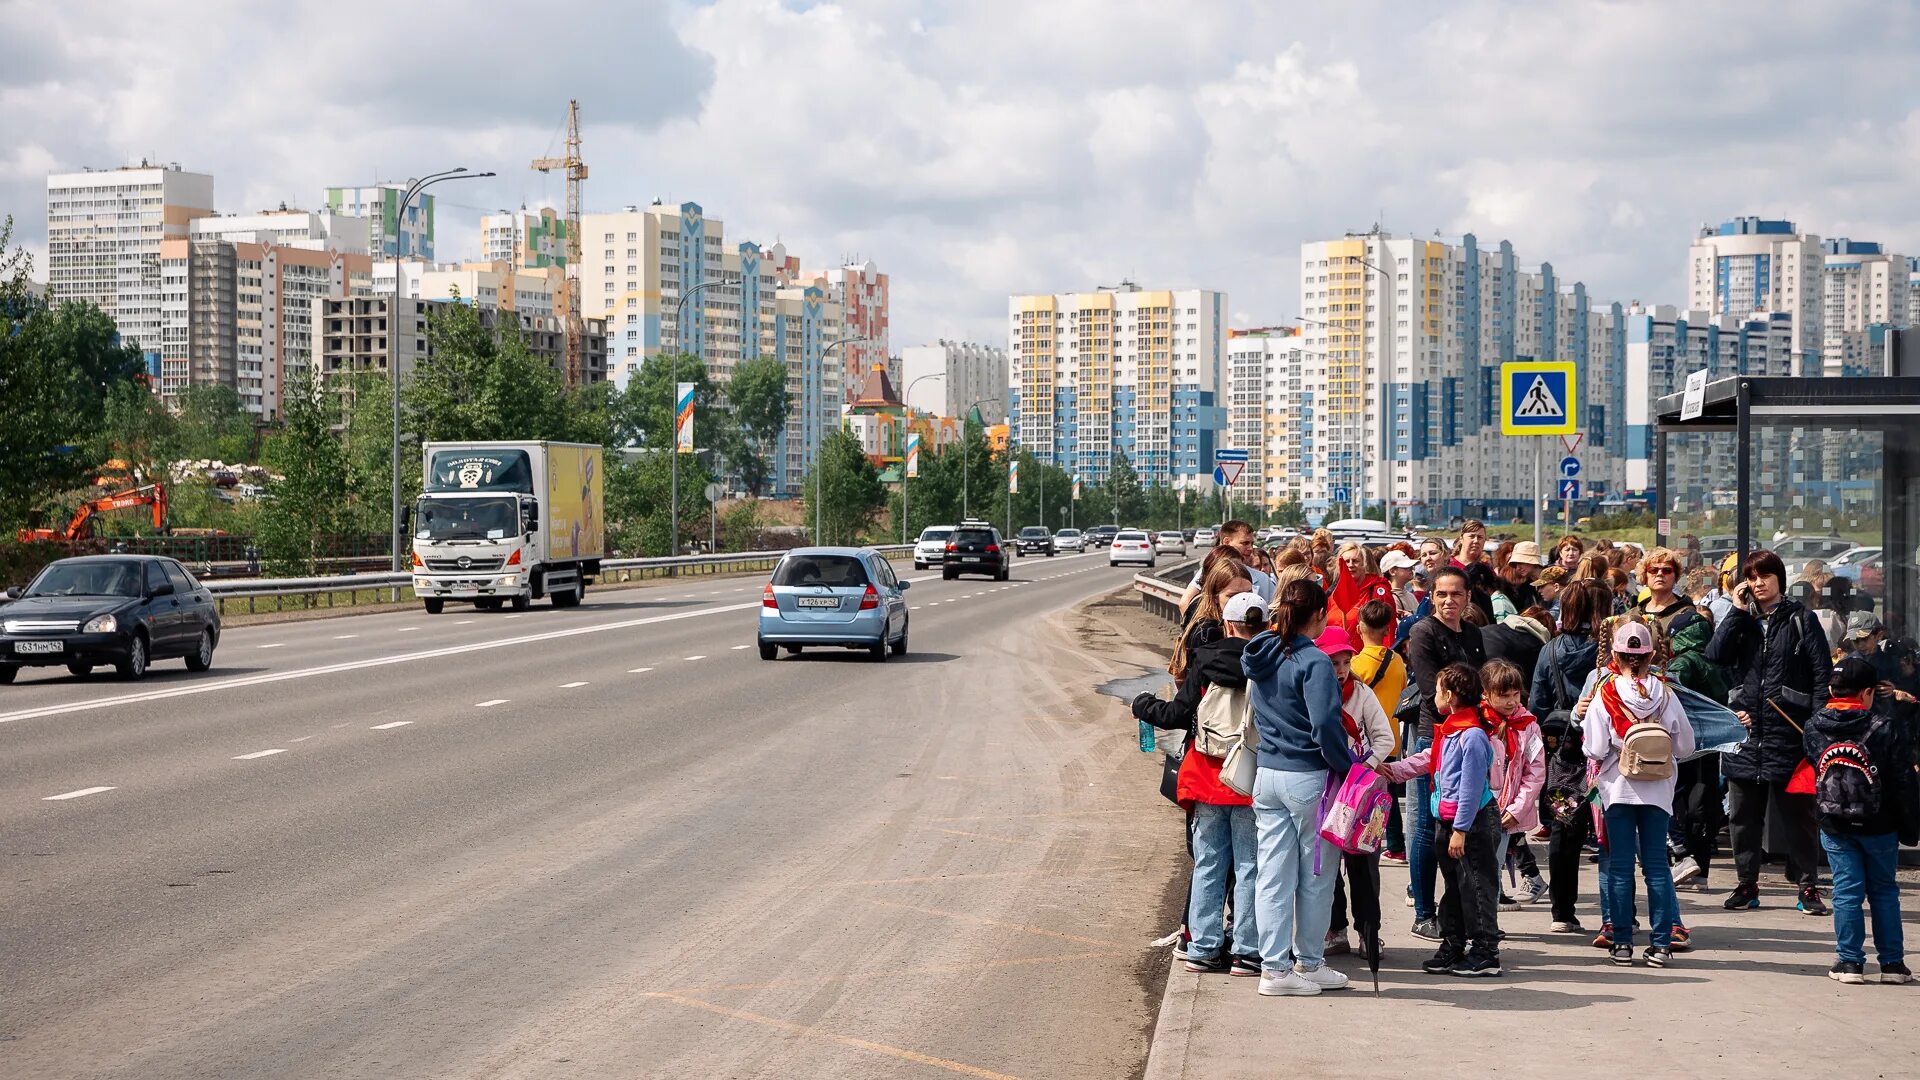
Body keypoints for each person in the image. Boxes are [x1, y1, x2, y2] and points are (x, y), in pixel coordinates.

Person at [1135, 591, 1267, 978]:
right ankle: (1247, 951)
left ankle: (1203, 948)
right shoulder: (1271, 661)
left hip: (1207, 775)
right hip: (1250, 776)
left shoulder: (1205, 660)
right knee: (1250, 867)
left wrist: (1143, 705)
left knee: (1209, 863)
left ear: (1226, 623)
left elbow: (1177, 713)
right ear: (1262, 625)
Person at [1243, 578, 1352, 996]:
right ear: (1321, 615)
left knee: (1272, 876)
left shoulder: (1261, 654)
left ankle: (1273, 968)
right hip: (1309, 776)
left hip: (1267, 774)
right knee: (1317, 876)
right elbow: (1325, 724)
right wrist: (1346, 768)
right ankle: (1308, 961)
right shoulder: (1315, 661)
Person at [1709, 549, 1833, 915]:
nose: (1758, 583)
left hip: (1789, 734)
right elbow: (1715, 655)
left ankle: (1808, 885)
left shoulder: (1801, 619)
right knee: (1743, 817)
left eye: (1765, 576)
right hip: (1746, 736)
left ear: (1779, 578)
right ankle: (1747, 883)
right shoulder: (1742, 620)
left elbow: (1821, 674)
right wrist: (1736, 611)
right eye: (1751, 577)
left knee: (1799, 815)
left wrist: (1813, 727)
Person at [1583, 621, 1696, 967]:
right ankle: (1661, 944)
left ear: (1616, 655)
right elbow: (1687, 746)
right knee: (1657, 868)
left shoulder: (1605, 693)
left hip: (1618, 788)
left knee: (1619, 868)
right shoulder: (1667, 693)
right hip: (1659, 790)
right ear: (1651, 655)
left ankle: (1621, 944)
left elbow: (1595, 747)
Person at [1807, 657, 1915, 984]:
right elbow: (1902, 781)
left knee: (1846, 891)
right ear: (1868, 692)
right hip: (1880, 824)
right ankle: (1893, 966)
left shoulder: (1814, 726)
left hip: (1835, 823)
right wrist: (1910, 825)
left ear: (1830, 689)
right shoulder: (1885, 727)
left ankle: (1850, 963)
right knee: (1883, 891)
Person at [1402, 566, 1487, 941]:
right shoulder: (1423, 632)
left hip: (1470, 735)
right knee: (1425, 825)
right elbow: (1429, 691)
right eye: (1442, 595)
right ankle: (1424, 911)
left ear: (1468, 597)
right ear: (1431, 598)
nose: (1449, 601)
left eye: (1456, 594)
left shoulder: (1473, 634)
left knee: (1461, 822)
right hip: (1433, 737)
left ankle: (1457, 912)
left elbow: (1481, 683)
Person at [1530, 581, 1608, 933]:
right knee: (1612, 831)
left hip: (1565, 752)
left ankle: (1562, 911)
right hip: (1608, 753)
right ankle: (1616, 910)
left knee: (1563, 830)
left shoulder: (1550, 650)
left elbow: (1537, 704)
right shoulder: (1609, 654)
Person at [1420, 662, 1503, 976]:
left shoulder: (1471, 737)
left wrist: (1460, 831)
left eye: (1439, 691)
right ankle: (1453, 944)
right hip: (1450, 822)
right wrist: (1390, 770)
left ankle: (1485, 951)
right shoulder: (1452, 730)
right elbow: (1429, 762)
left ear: (1451, 696)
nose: (1434, 697)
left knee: (1477, 887)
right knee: (1454, 887)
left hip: (1470, 824)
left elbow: (1469, 789)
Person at [1319, 625, 1395, 956]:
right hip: (1324, 788)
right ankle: (1335, 929)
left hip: (1358, 793)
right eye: (1332, 663)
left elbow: (1385, 738)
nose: (1339, 670)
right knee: (1327, 863)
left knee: (1363, 863)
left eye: (1344, 662)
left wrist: (1364, 767)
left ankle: (1368, 932)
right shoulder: (1311, 693)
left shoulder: (1362, 694)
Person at [1663, 609, 1730, 895]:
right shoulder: (1717, 662)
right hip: (1712, 743)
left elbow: (1670, 693)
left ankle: (1685, 858)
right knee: (1704, 802)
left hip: (1684, 744)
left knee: (1678, 801)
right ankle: (1702, 868)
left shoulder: (1684, 663)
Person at [1483, 658, 1548, 907]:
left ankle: (1489, 925)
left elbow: (1535, 772)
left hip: (1507, 811)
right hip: (1479, 806)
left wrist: (1517, 809)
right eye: (1504, 695)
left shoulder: (1528, 725)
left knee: (1495, 864)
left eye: (1515, 694)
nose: (1511, 701)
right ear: (1486, 694)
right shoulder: (1477, 720)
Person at [1352, 599, 1409, 862]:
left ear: (1360, 627)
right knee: (1385, 792)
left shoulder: (1356, 664)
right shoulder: (1397, 660)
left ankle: (1382, 840)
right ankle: (1394, 843)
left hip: (1366, 740)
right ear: (1388, 629)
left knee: (1369, 793)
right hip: (1391, 737)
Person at [1178, 520, 1275, 613]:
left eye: (1252, 543)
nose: (1250, 548)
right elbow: (1184, 603)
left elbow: (1273, 612)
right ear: (1227, 542)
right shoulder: (1209, 571)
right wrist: (1199, 628)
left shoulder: (1263, 579)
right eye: (1245, 543)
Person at [1632, 547, 1694, 637]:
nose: (1660, 574)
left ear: (1675, 576)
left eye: (1667, 570)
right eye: (1653, 570)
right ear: (1644, 576)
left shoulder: (1687, 617)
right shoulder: (1632, 615)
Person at [1490, 541, 1545, 619]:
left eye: (1521, 562)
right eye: (1515, 564)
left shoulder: (1553, 580)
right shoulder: (1524, 588)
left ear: (1532, 560)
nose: (1517, 568)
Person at [1380, 550, 1420, 619]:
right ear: (1392, 571)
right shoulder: (1389, 597)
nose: (1411, 569)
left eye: (1411, 566)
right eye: (1406, 567)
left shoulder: (1410, 595)